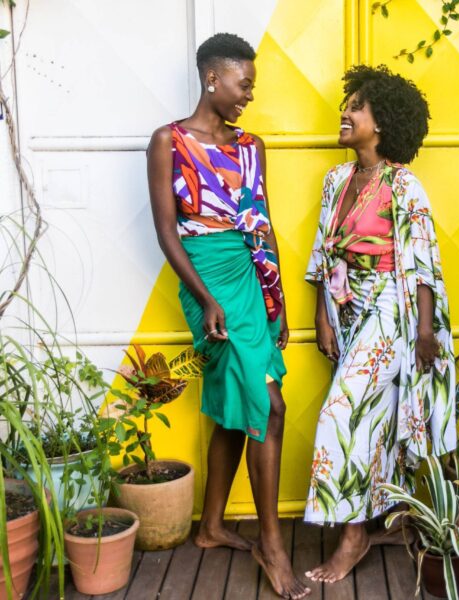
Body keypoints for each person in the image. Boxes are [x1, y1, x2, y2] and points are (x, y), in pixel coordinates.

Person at [146, 32, 310, 600]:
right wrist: (207, 299)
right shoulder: (168, 141)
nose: (249, 96)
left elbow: (261, 224)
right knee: (269, 402)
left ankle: (212, 527)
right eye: (245, 85)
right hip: (204, 280)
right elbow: (167, 232)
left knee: (236, 405)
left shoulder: (251, 146)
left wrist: (277, 300)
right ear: (213, 78)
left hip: (247, 274)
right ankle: (271, 545)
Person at [303, 64, 457, 583]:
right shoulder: (336, 180)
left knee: (340, 413)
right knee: (372, 420)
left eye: (358, 107)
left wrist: (424, 331)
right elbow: (323, 252)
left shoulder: (405, 184)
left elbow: (423, 261)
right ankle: (386, 519)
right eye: (347, 104)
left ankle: (352, 539)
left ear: (383, 123)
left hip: (391, 308)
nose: (345, 113)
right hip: (345, 308)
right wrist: (322, 316)